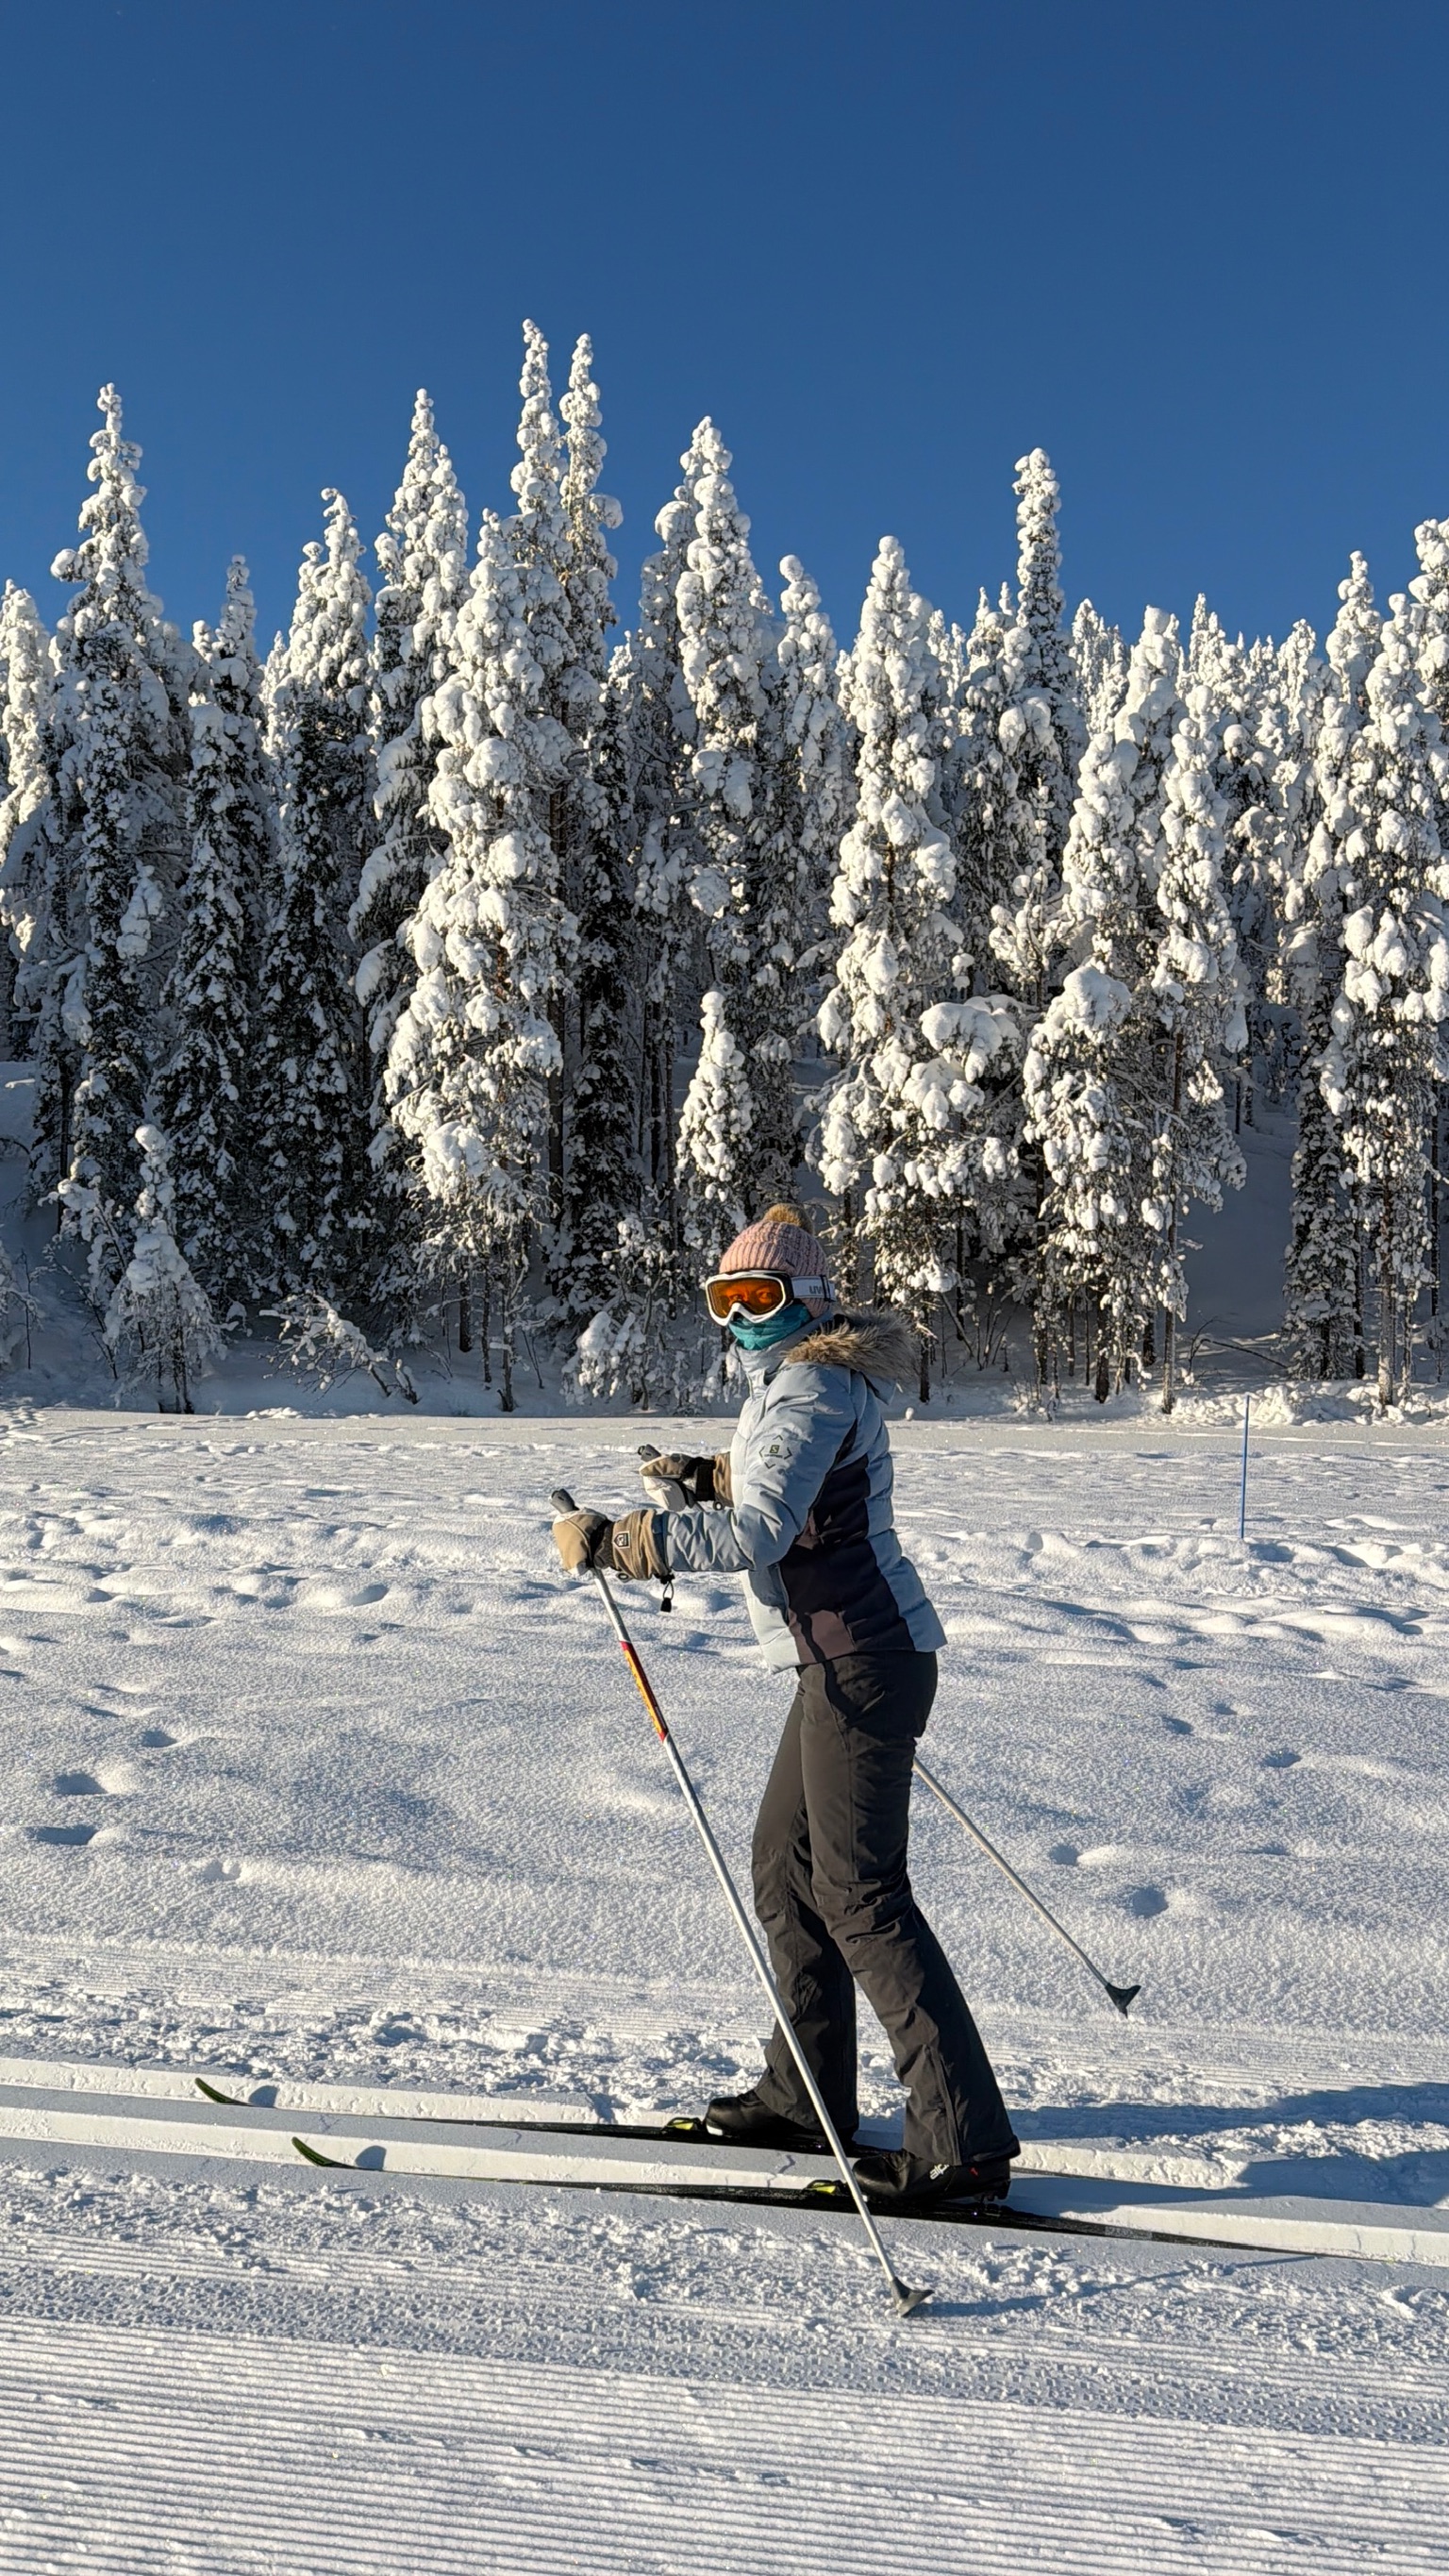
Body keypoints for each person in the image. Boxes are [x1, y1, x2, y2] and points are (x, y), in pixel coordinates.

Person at [551, 1204, 1019, 2209]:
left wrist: (625, 1542)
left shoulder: (809, 1385)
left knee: (860, 1895)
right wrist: (703, 1476)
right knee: (786, 1866)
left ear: (806, 1300)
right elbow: (782, 1485)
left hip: (864, 1660)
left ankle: (962, 2140)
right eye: (723, 1298)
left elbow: (763, 1530)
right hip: (840, 1661)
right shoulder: (796, 1386)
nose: (738, 1318)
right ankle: (805, 2095)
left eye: (758, 1297)